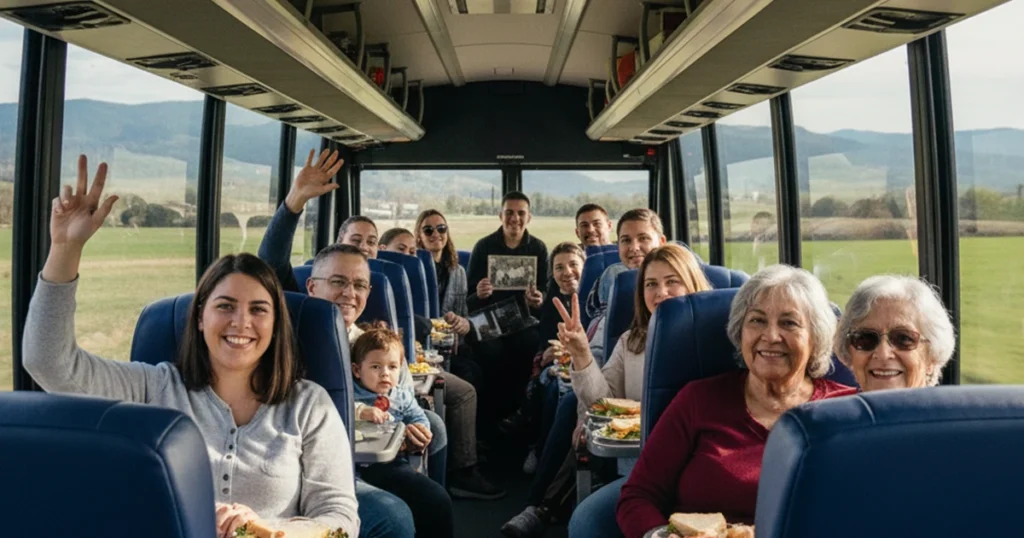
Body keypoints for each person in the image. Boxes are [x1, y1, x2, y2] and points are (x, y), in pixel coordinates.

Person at [22, 155, 360, 538]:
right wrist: (65, 249)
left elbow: (341, 521)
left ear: (275, 325)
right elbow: (48, 363)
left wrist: (268, 530)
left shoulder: (308, 406)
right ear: (200, 319)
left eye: (258, 310)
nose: (241, 322)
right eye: (225, 306)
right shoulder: (153, 388)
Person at [614, 265, 858, 538]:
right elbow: (639, 495)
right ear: (740, 331)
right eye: (757, 320)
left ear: (816, 338)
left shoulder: (848, 412)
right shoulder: (697, 400)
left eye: (789, 322)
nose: (771, 336)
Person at [255, 149, 419, 538]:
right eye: (338, 282)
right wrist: (294, 202)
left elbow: (397, 392)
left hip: (356, 458)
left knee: (427, 502)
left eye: (360, 285)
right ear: (311, 287)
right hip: (295, 462)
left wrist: (405, 422)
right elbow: (270, 264)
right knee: (395, 516)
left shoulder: (368, 341)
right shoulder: (292, 325)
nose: (350, 293)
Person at [509, 245, 712, 538]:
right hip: (645, 468)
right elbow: (601, 403)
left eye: (673, 281)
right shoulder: (631, 341)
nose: (661, 292)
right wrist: (580, 353)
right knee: (585, 522)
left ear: (693, 284)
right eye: (651, 284)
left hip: (701, 465)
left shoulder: (718, 343)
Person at [412, 209, 505, 500]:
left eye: (441, 228)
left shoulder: (458, 271)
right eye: (429, 230)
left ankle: (469, 444)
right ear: (419, 236)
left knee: (476, 370)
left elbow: (463, 318)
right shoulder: (411, 271)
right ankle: (464, 467)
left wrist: (463, 324)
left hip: (450, 347)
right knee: (464, 385)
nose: (436, 235)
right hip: (422, 351)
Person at [351, 327, 454, 538]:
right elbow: (338, 410)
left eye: (392, 367)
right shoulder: (350, 394)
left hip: (390, 464)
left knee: (435, 499)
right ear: (356, 370)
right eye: (376, 367)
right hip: (356, 466)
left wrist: (418, 430)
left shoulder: (401, 396)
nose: (385, 373)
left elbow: (417, 416)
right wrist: (361, 412)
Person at [466, 192, 548, 436]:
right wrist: (479, 294)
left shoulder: (539, 248)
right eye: (509, 213)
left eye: (520, 213)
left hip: (522, 320)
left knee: (529, 343)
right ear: (500, 215)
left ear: (529, 217)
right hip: (488, 320)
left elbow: (544, 293)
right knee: (491, 351)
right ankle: (490, 422)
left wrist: (539, 299)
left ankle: (520, 417)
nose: (515, 218)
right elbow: (468, 299)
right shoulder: (483, 247)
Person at [835, 275, 955, 391]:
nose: (883, 354)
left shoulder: (953, 411)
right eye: (866, 339)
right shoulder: (828, 410)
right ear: (849, 352)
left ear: (932, 357)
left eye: (903, 339)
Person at [586, 209, 667, 364]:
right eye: (626, 240)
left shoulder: (685, 281)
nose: (634, 247)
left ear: (661, 242)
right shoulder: (613, 281)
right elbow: (596, 353)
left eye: (643, 238)